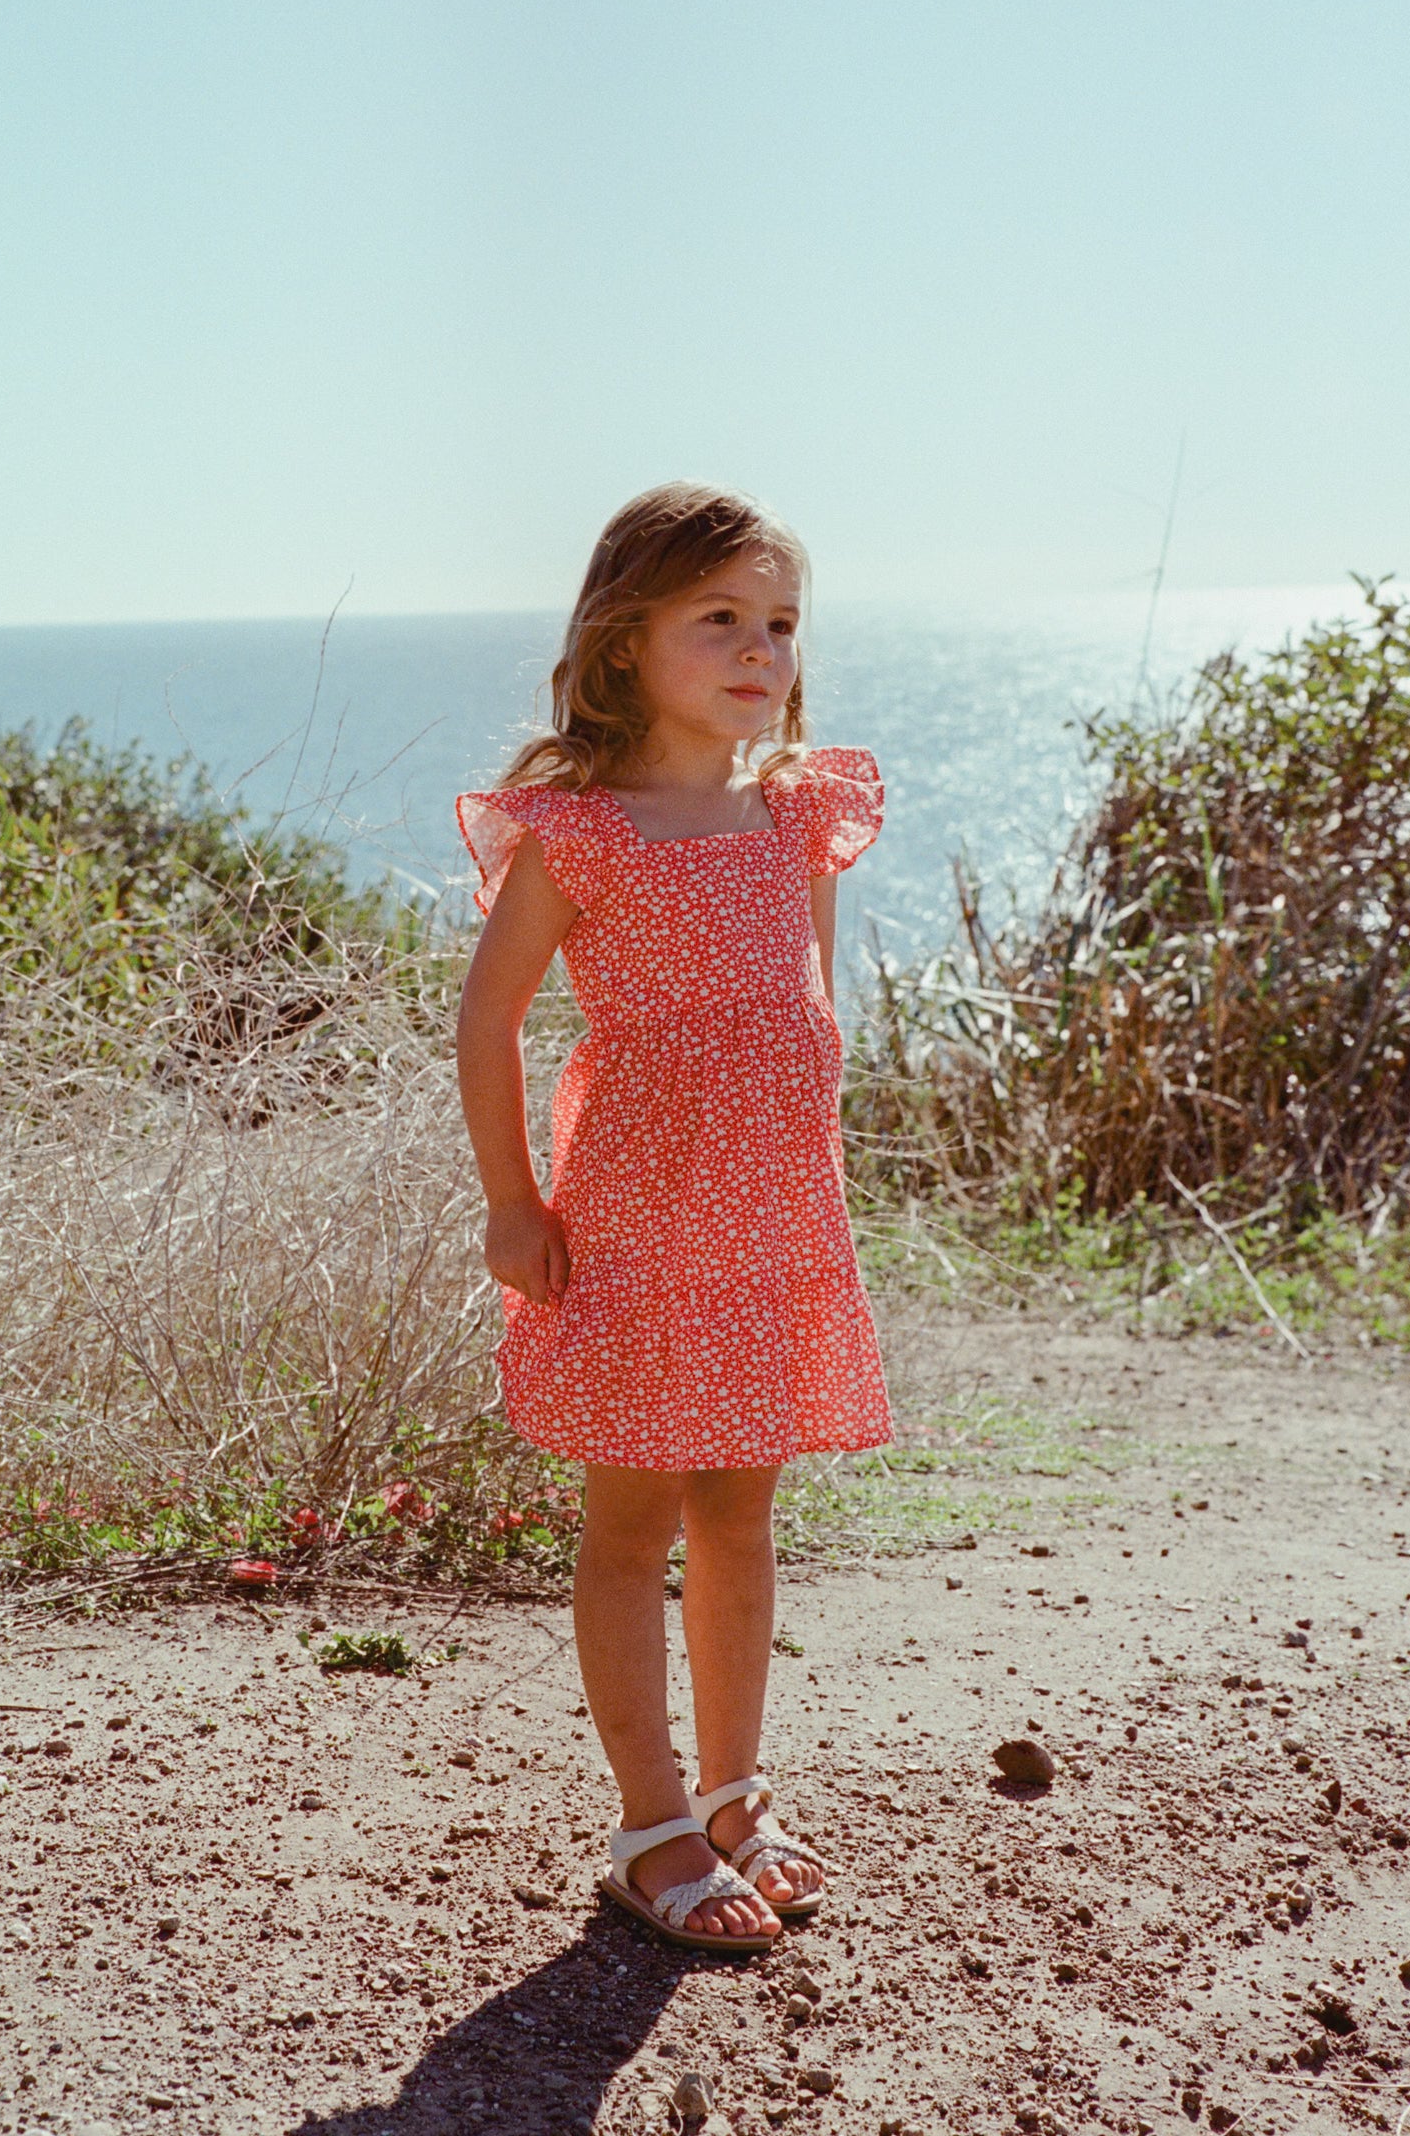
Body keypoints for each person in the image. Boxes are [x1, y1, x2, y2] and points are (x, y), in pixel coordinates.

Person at [455, 482, 891, 1952]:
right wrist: (513, 1199)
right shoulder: (577, 832)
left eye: (776, 621)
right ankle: (648, 1820)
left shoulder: (797, 814)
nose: (758, 646)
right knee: (634, 1512)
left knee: (743, 1512)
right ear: (624, 641)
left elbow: (810, 1011)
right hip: (638, 1220)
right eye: (718, 617)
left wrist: (809, 1188)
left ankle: (732, 1793)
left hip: (771, 1223)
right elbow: (489, 1018)